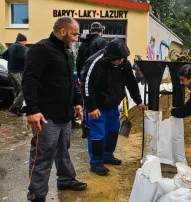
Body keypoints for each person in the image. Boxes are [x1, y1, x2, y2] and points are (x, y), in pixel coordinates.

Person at [22, 17, 87, 202]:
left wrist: (77, 102)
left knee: (63, 150)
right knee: (42, 156)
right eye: (74, 33)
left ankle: (66, 180)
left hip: (65, 114)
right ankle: (37, 195)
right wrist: (32, 110)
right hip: (46, 116)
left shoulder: (67, 51)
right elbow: (29, 79)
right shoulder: (41, 49)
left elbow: (70, 80)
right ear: (62, 31)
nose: (76, 37)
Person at [80, 38, 146, 176]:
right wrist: (91, 107)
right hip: (97, 106)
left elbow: (131, 82)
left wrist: (138, 100)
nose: (121, 61)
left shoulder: (124, 64)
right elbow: (86, 86)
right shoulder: (95, 63)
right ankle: (96, 162)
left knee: (113, 130)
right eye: (118, 59)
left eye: (123, 59)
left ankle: (107, 155)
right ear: (110, 56)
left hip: (112, 104)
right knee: (98, 134)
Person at [2, 33, 27, 116]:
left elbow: (4, 55)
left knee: (17, 90)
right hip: (18, 71)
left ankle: (17, 108)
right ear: (22, 41)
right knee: (23, 90)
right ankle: (15, 107)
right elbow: (23, 58)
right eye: (25, 42)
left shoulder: (11, 46)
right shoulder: (20, 47)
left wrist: (11, 60)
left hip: (10, 71)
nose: (25, 44)